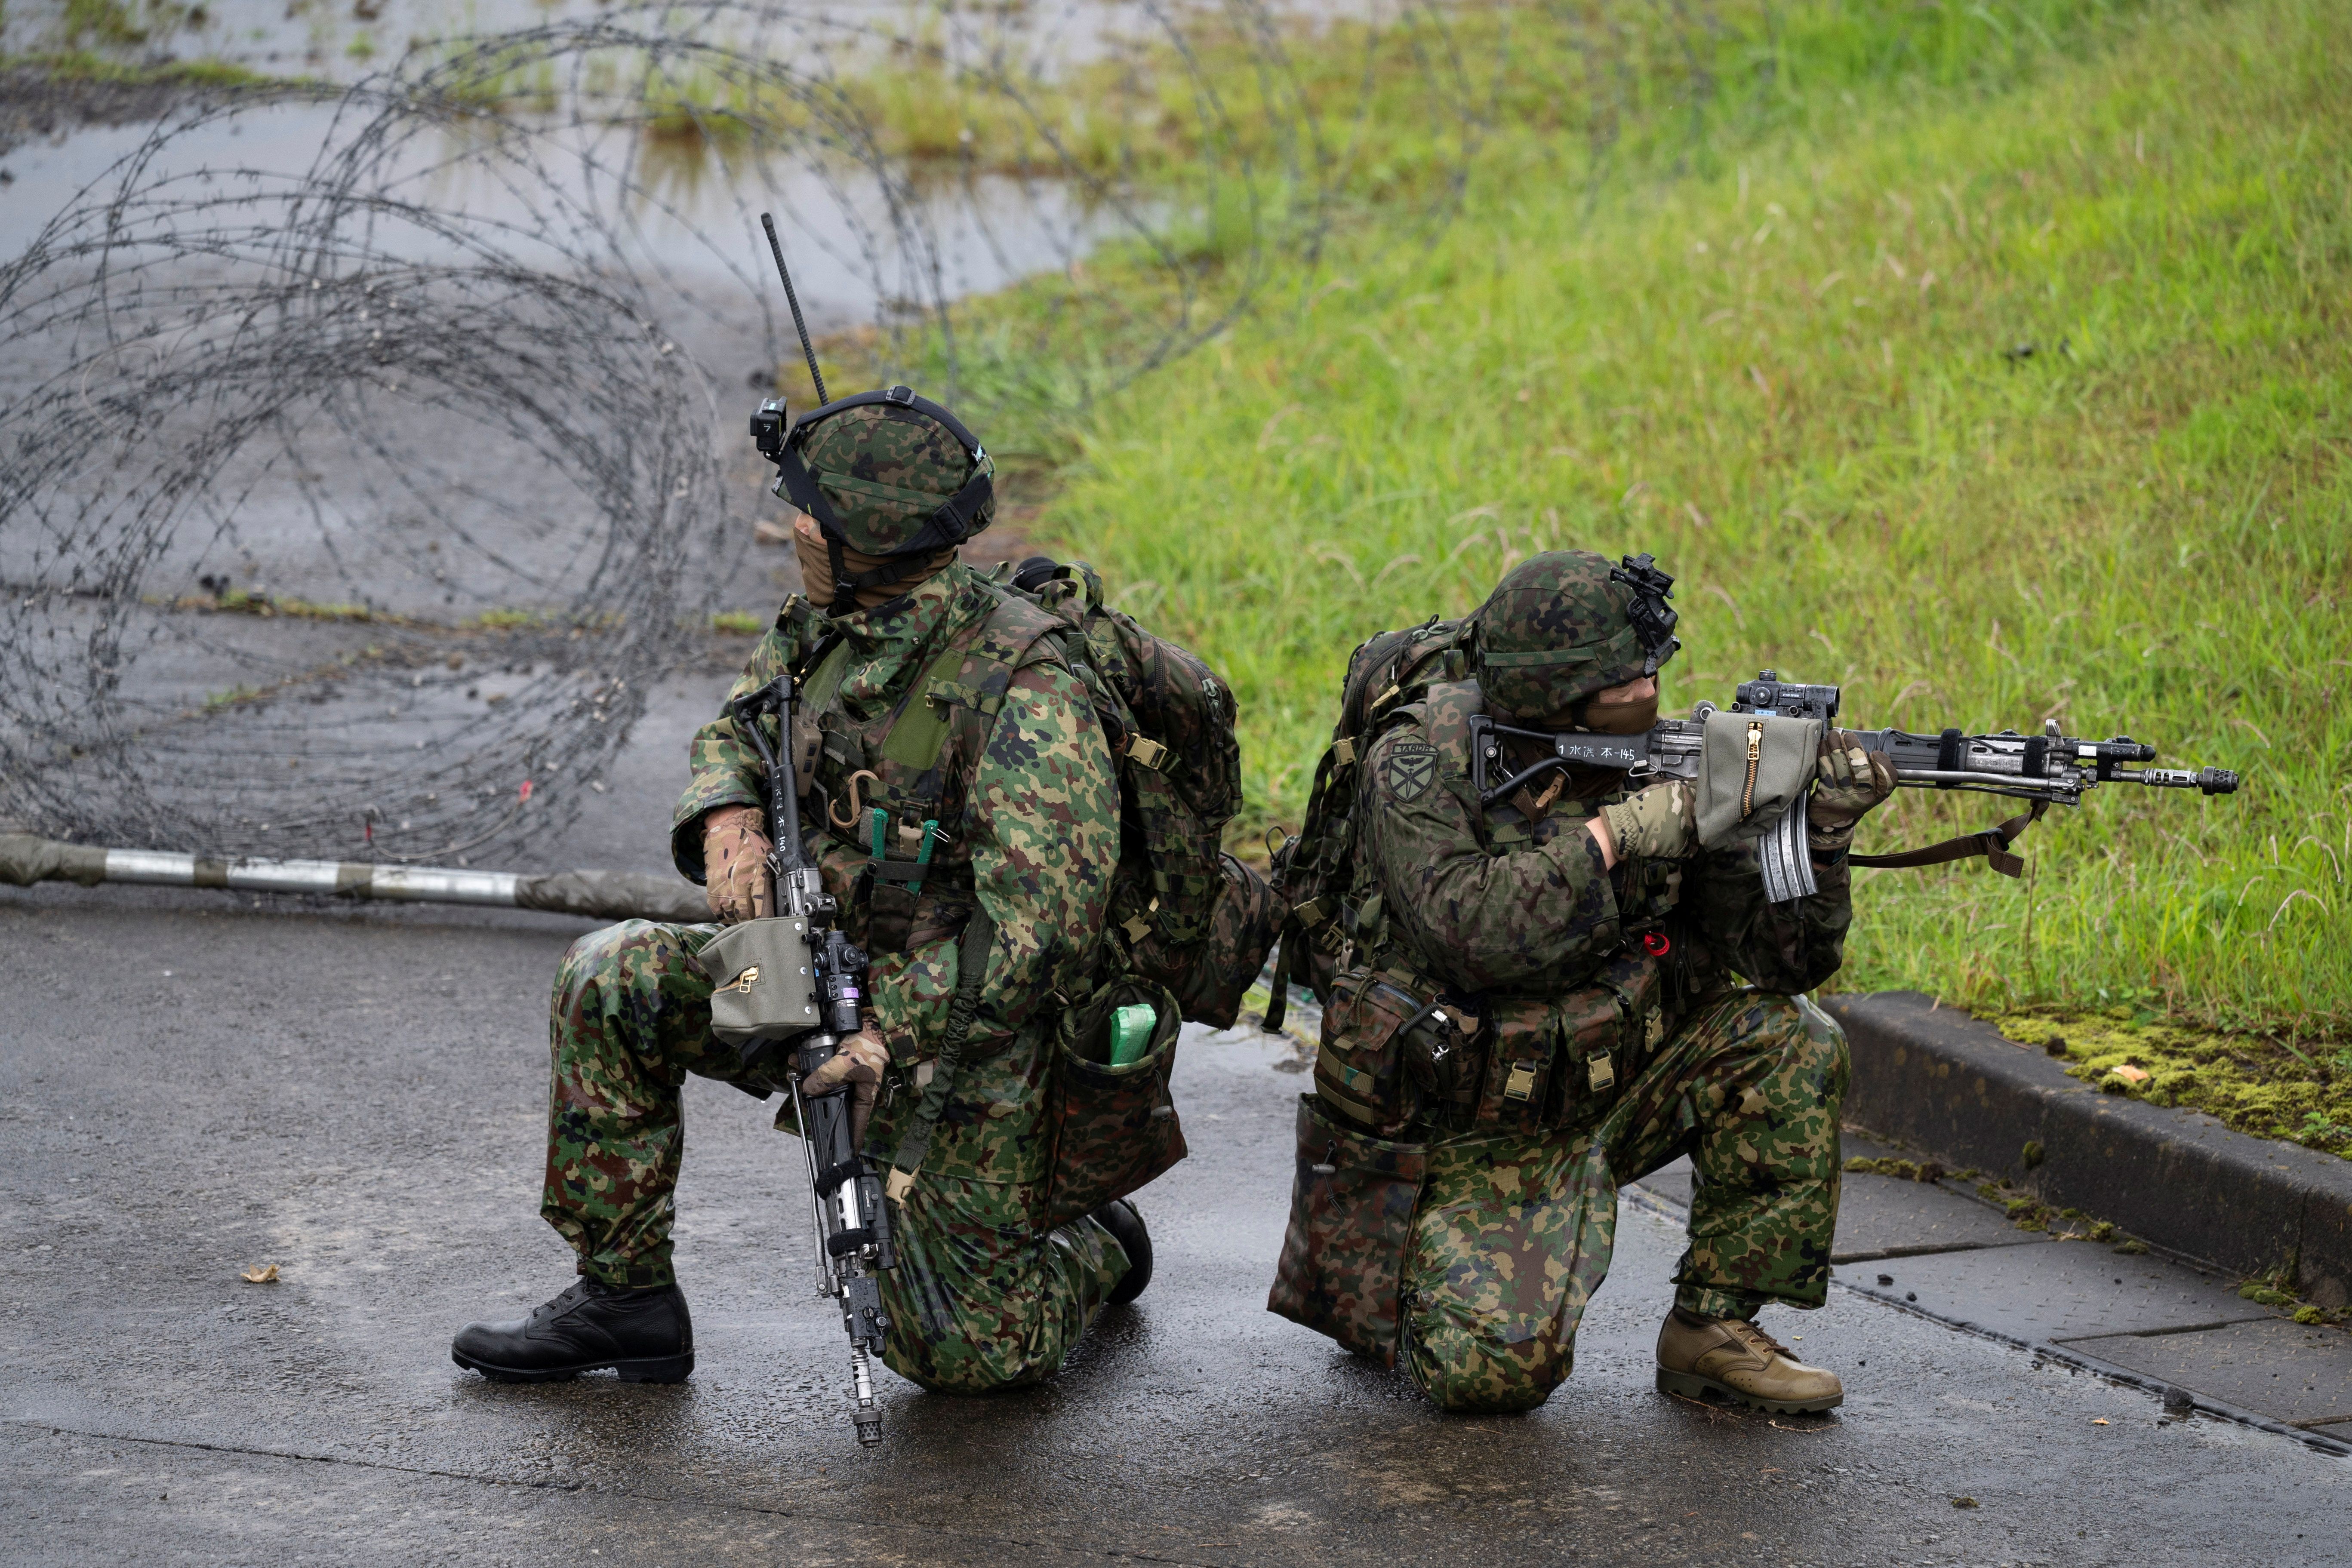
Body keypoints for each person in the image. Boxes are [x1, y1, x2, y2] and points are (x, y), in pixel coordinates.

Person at [449, 388, 1148, 1390]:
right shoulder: (825, 625)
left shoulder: (1027, 689)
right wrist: (725, 819)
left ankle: (1092, 1236)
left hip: (957, 1034)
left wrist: (882, 1035)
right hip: (797, 978)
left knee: (964, 1357)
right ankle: (626, 1299)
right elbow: (738, 728)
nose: (795, 526)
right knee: (615, 979)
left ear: (864, 536)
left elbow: (1043, 933)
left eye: (810, 511)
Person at [1272, 549, 1894, 1415]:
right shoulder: (1417, 760)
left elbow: (1777, 961)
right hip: (1463, 1133)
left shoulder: (1659, 760)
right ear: (1551, 695)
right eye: (1622, 679)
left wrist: (1818, 837)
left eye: (1650, 669)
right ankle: (1401, 1277)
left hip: (1605, 1087)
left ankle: (1710, 1328)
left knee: (1789, 1039)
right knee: (1489, 1376)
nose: (1648, 690)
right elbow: (1469, 929)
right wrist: (1622, 834)